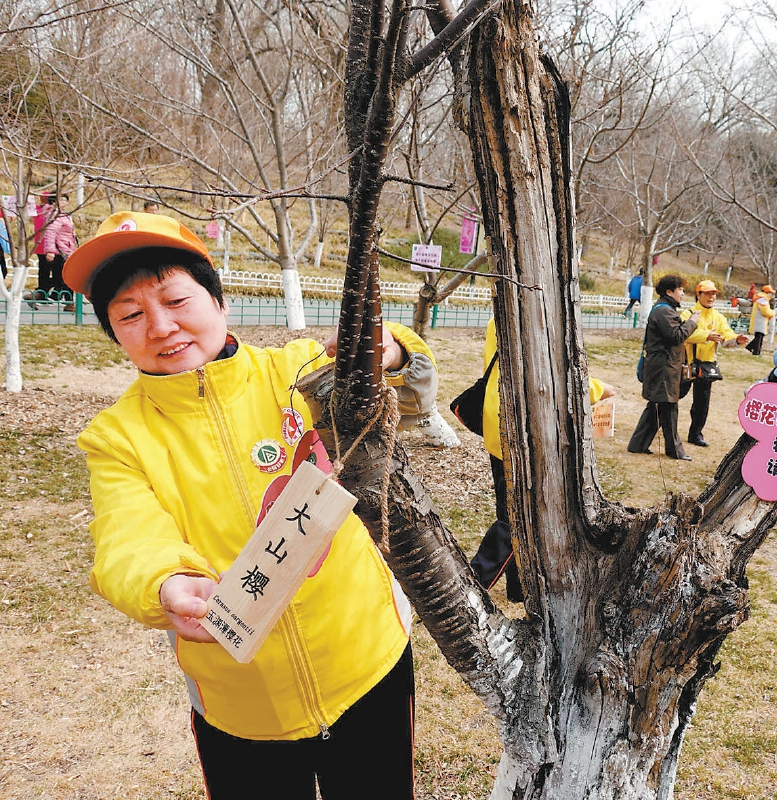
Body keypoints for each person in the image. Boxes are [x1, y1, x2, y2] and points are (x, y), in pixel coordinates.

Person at [65, 211, 420, 799]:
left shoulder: (297, 373)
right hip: (239, 701)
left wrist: (387, 352)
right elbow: (129, 536)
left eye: (177, 299)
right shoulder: (118, 437)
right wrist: (166, 583)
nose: (160, 326)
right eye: (130, 314)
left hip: (366, 662)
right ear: (114, 332)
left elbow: (408, 362)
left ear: (219, 301)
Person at [468, 319, 613, 601]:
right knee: (517, 516)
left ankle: (517, 587)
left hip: (501, 422)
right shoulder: (536, 314)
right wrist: (596, 389)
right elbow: (546, 370)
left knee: (513, 508)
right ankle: (472, 583)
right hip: (523, 429)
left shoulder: (499, 315)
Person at [628, 275, 699, 460]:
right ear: (669, 291)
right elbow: (676, 337)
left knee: (656, 408)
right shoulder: (665, 312)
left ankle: (638, 444)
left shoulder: (663, 309)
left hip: (661, 367)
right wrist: (692, 322)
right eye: (680, 290)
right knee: (668, 407)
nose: (683, 294)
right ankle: (674, 450)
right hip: (664, 368)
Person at [679, 279, 749, 447]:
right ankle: (660, 424)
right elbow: (682, 335)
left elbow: (726, 337)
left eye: (714, 294)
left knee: (702, 404)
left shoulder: (718, 317)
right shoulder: (688, 314)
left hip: (707, 366)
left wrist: (737, 340)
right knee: (675, 396)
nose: (711, 297)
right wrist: (706, 336)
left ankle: (696, 434)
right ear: (699, 294)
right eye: (708, 293)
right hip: (687, 364)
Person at [745, 284, 776, 356]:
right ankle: (756, 352)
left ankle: (749, 347)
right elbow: (765, 311)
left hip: (758, 320)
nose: (771, 294)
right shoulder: (763, 299)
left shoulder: (760, 297)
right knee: (759, 337)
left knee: (758, 336)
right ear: (767, 292)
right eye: (770, 292)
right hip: (760, 321)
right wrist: (773, 313)